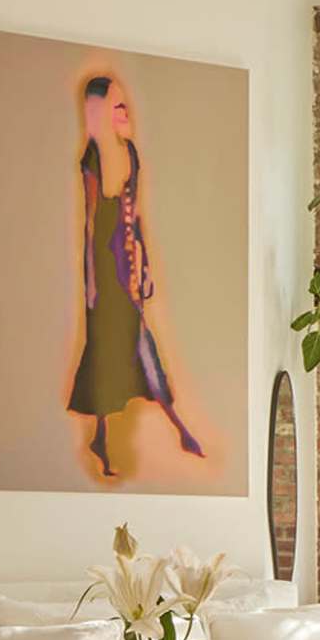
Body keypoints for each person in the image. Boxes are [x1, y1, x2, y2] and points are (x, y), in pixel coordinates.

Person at [64, 71, 203, 478]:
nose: (125, 111)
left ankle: (121, 434)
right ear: (101, 111)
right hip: (104, 268)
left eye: (125, 103)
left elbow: (136, 215)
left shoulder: (131, 153)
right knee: (109, 349)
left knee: (136, 341)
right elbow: (92, 223)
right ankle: (168, 430)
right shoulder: (93, 158)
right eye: (117, 105)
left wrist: (145, 264)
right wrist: (91, 281)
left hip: (126, 262)